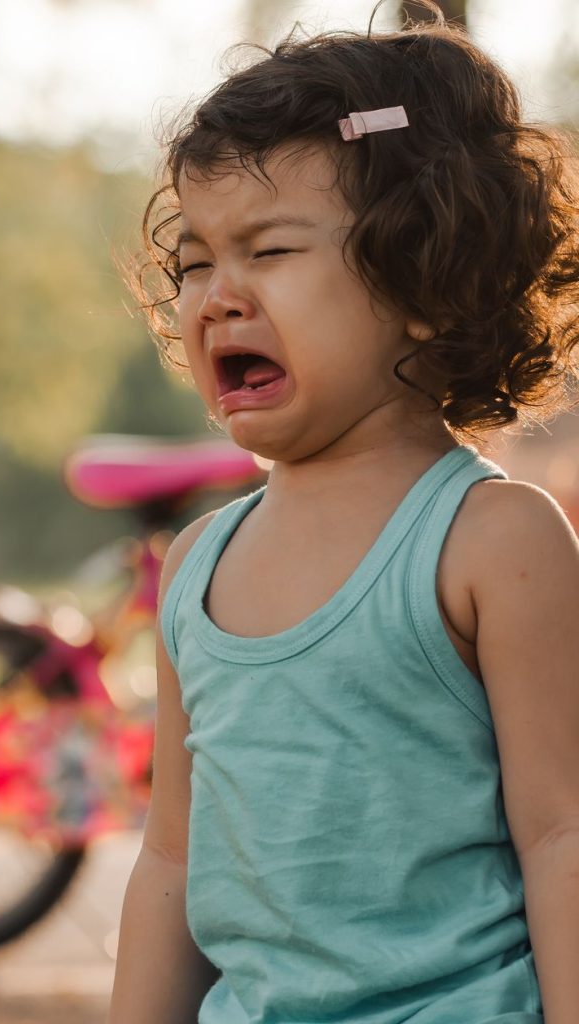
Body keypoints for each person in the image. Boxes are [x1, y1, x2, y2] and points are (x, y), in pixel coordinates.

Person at [109, 6, 579, 1023]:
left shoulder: (493, 541)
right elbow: (169, 860)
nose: (217, 297)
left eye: (268, 251)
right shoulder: (196, 566)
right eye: (194, 263)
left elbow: (562, 835)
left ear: (421, 281)